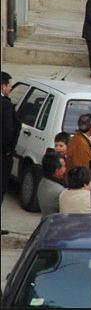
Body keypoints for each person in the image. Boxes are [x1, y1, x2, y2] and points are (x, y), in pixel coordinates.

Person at [1, 71, 22, 210]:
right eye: (9, 86)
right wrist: (8, 149)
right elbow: (8, 129)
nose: (10, 89)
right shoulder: (6, 105)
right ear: (3, 86)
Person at [37, 152, 66, 218]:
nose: (65, 169)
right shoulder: (59, 191)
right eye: (64, 166)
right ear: (57, 171)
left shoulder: (43, 180)